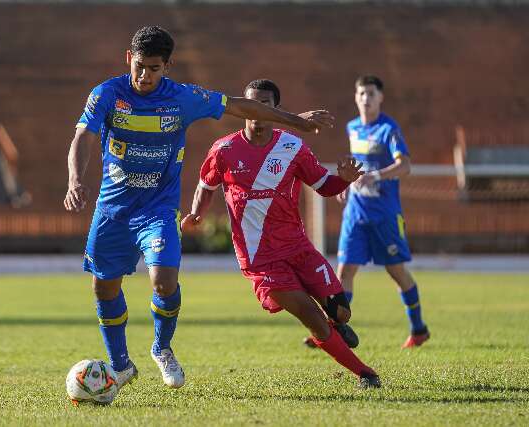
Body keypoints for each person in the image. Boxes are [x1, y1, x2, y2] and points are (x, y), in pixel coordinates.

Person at [64, 26, 334, 390]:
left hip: (157, 210)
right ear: (129, 58)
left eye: (154, 68)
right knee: (104, 289)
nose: (145, 76)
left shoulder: (183, 98)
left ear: (168, 66)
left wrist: (297, 122)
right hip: (113, 210)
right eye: (139, 66)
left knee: (163, 280)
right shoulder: (108, 94)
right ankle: (121, 365)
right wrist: (75, 180)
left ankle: (162, 348)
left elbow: (241, 106)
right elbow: (83, 135)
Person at [181, 79, 381, 388]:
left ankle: (336, 325)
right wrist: (197, 213)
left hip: (298, 247)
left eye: (265, 106)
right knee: (308, 315)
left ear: (276, 110)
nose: (257, 112)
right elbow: (206, 185)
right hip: (259, 258)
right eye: (252, 105)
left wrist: (343, 180)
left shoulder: (292, 147)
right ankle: (366, 374)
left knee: (341, 312)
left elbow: (323, 186)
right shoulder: (224, 150)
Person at [335, 75, 429, 349]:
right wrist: (345, 183)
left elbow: (405, 165)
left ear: (380, 98)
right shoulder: (352, 128)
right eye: (361, 93)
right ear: (355, 97)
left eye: (371, 94)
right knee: (344, 272)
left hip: (385, 215)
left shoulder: (389, 129)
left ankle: (418, 328)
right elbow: (357, 165)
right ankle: (333, 330)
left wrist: (376, 176)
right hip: (355, 213)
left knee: (396, 272)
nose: (366, 98)